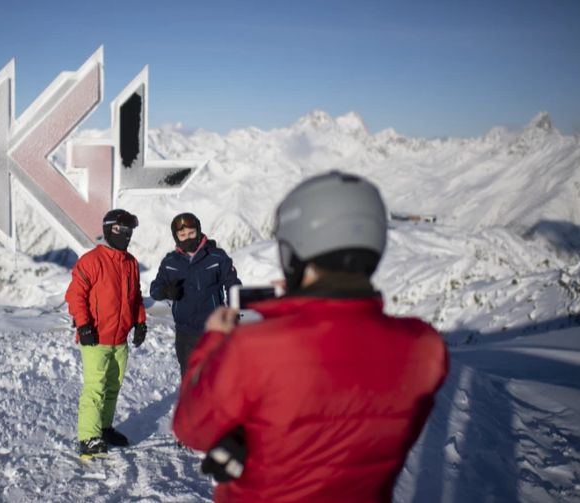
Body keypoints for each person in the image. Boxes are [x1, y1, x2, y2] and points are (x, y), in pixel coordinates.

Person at [172, 171, 449, 502]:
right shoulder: (424, 348)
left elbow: (192, 427)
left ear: (294, 250)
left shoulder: (254, 347)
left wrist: (215, 338)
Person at [65, 209, 148, 459]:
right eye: (119, 230)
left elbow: (136, 296)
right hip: (95, 338)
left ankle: (104, 428)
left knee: (113, 386)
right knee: (95, 388)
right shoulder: (91, 260)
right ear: (107, 230)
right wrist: (84, 325)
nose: (125, 235)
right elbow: (74, 295)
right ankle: (89, 438)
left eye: (128, 231)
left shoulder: (131, 262)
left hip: (119, 338)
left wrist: (140, 322)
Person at [150, 212, 241, 378]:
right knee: (191, 381)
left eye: (191, 233)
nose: (188, 238)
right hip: (185, 333)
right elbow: (155, 290)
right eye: (182, 235)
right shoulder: (170, 262)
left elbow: (233, 285)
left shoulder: (216, 257)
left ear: (198, 232)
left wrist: (234, 313)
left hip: (214, 330)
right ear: (176, 237)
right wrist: (166, 291)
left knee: (218, 377)